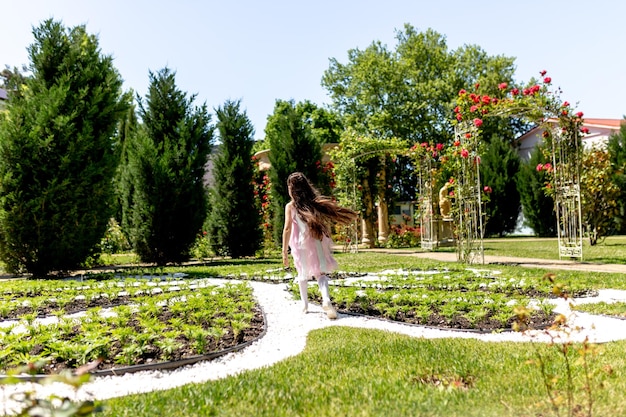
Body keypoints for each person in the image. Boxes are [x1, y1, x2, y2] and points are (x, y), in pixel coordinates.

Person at [282, 172, 358, 319]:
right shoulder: (314, 202)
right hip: (317, 241)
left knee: (302, 273)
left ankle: (305, 305)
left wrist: (284, 251)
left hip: (300, 244)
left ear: (291, 189)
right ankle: (326, 299)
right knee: (320, 273)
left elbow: (287, 228)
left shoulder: (290, 206)